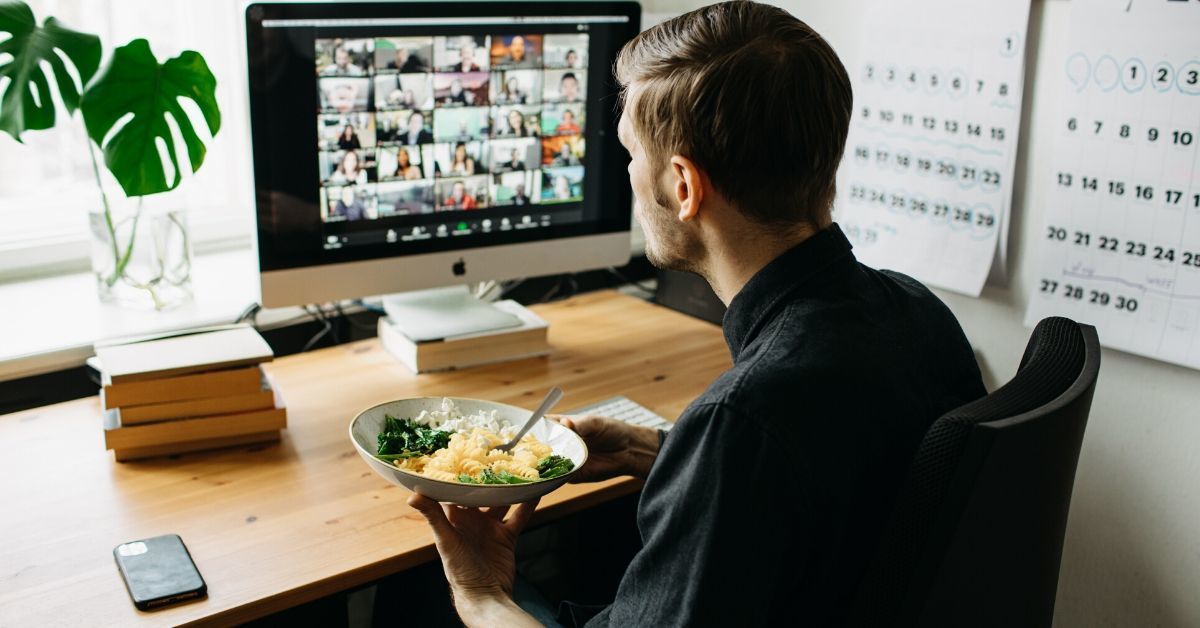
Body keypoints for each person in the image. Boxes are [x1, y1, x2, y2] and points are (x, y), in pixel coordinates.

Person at [406, 2, 987, 627]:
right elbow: (831, 492)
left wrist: (481, 590)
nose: (628, 174)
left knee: (412, 600)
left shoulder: (742, 420)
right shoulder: (920, 314)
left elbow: (759, 446)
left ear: (684, 187)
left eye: (632, 153)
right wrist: (653, 449)